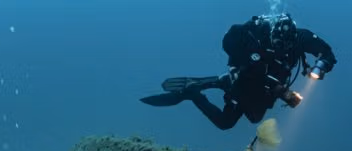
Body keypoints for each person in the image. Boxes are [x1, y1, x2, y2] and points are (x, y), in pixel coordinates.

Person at [140, 13, 337, 130]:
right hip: (248, 78)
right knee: (225, 122)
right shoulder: (258, 31)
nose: (281, 47)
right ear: (272, 34)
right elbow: (231, 40)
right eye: (277, 43)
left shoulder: (301, 38)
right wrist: (240, 65)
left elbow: (327, 54)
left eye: (285, 45)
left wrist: (319, 67)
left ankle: (220, 82)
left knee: (255, 117)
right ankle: (197, 92)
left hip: (270, 86)